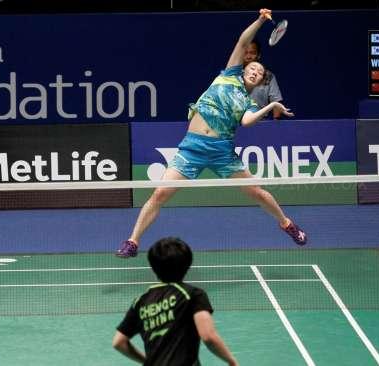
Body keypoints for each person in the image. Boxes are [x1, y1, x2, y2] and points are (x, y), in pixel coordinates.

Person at [117, 9, 306, 258]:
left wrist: (271, 106)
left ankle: (286, 223)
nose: (255, 71)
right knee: (160, 193)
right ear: (245, 67)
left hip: (221, 152)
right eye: (252, 67)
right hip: (192, 147)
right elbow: (242, 41)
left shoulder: (250, 104)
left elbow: (248, 122)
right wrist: (260, 20)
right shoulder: (228, 74)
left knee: (256, 192)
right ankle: (132, 242)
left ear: (261, 82)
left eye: (259, 73)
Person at [113, 237, 238, 365]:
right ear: (188, 265)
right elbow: (208, 336)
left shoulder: (141, 301)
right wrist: (231, 360)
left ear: (153, 268)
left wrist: (148, 361)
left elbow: (119, 342)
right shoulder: (192, 295)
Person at [244, 39, 284, 119]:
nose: (248, 56)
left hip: (260, 124)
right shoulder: (234, 75)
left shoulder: (268, 77)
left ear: (258, 55)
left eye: (252, 53)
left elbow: (276, 102)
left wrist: (276, 126)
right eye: (245, 53)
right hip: (235, 124)